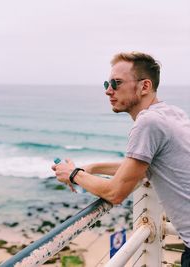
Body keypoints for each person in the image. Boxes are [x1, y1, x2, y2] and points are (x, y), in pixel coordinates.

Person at [52, 52, 190, 266]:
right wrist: (93, 168)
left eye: (116, 83)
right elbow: (143, 166)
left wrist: (73, 174)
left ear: (144, 86)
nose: (108, 91)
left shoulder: (148, 122)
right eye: (107, 83)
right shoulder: (172, 113)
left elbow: (116, 193)